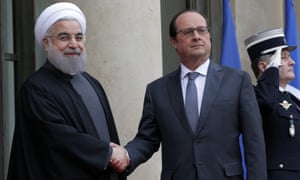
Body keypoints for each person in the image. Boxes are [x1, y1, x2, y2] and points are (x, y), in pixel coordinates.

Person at [111, 9, 267, 179]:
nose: (196, 36)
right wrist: (127, 155)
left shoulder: (237, 81)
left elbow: (254, 141)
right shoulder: (157, 90)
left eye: (202, 30)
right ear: (173, 41)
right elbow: (147, 139)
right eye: (188, 32)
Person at [7, 2, 128, 180]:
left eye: (78, 38)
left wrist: (116, 155)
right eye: (64, 38)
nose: (74, 44)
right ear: (46, 43)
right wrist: (106, 154)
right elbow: (57, 140)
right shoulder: (35, 88)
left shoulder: (92, 83)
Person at [245, 28, 300, 180]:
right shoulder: (255, 95)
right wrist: (271, 72)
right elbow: (267, 101)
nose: (292, 62)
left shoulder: (293, 98)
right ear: (264, 67)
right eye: (283, 58)